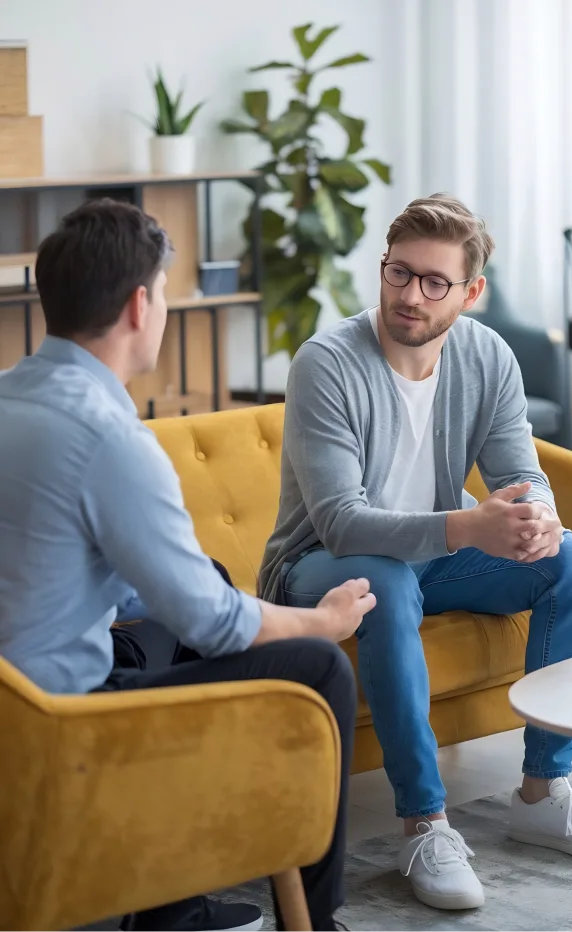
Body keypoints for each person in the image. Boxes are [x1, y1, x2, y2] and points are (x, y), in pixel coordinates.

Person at [0, 199, 374, 932]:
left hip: (13, 691)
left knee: (198, 578)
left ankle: (172, 900)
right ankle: (315, 923)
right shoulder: (110, 436)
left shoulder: (11, 393)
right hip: (56, 725)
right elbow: (213, 620)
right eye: (166, 293)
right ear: (141, 305)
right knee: (317, 666)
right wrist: (322, 620)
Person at [259, 192, 572, 913]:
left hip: (425, 556)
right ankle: (423, 823)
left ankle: (541, 791)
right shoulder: (326, 363)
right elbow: (340, 522)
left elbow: (517, 469)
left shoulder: (484, 354)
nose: (410, 295)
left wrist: (537, 519)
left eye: (435, 282)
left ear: (470, 292)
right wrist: (469, 528)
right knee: (386, 586)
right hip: (321, 565)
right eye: (399, 273)